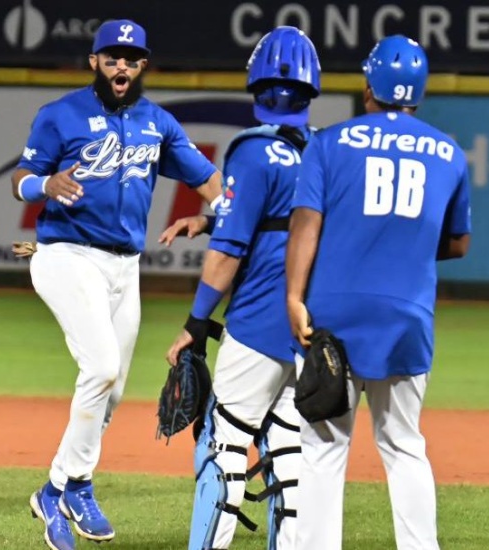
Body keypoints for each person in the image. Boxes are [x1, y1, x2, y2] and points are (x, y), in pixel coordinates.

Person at [9, 18, 223, 550]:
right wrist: (44, 184)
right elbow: (20, 180)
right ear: (95, 62)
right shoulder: (60, 115)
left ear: (143, 65)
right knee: (101, 367)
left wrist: (216, 216)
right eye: (112, 56)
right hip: (66, 254)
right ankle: (68, 486)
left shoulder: (157, 123)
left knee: (114, 389)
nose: (121, 65)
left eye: (131, 58)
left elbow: (209, 182)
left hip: (125, 268)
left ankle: (61, 489)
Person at [284, 35, 471, 550]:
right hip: (406, 315)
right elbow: (459, 243)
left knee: (324, 445)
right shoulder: (449, 152)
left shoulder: (330, 143)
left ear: (369, 86)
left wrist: (294, 296)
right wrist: (404, 246)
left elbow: (305, 225)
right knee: (404, 443)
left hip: (334, 314)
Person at [160, 27, 320, 550]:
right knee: (289, 452)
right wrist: (210, 220)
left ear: (255, 84)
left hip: (257, 322)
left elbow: (229, 252)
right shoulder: (322, 152)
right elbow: (289, 221)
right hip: (309, 326)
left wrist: (195, 322)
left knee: (222, 444)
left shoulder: (252, 150)